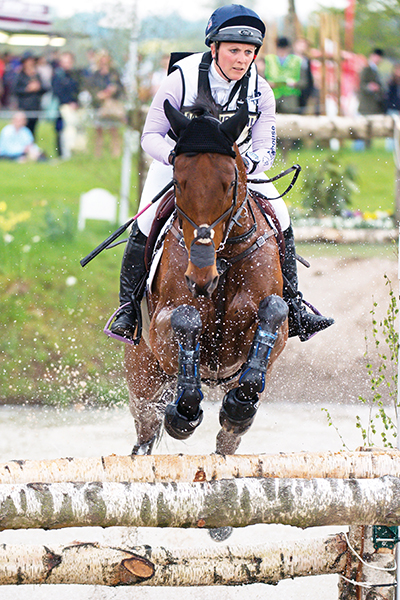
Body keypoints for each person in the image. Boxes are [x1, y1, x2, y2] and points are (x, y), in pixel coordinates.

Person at [110, 4, 333, 342]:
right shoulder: (180, 78)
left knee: (282, 218)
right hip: (178, 162)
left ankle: (295, 305)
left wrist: (244, 167)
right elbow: (149, 135)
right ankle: (128, 308)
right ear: (213, 48)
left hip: (233, 167)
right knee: (145, 220)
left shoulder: (261, 89)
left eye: (248, 52)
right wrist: (178, 160)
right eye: (233, 51)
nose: (242, 60)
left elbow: (265, 149)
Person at [86, 50, 125, 158]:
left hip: (112, 106)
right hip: (99, 106)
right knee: (98, 130)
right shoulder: (95, 74)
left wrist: (113, 90)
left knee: (114, 129)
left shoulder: (114, 73)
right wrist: (99, 95)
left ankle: (115, 153)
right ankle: (98, 153)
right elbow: (90, 88)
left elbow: (120, 88)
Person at [264, 37, 306, 114]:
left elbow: (304, 82)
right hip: (272, 100)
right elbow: (262, 79)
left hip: (290, 102)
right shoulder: (269, 59)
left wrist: (294, 84)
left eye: (284, 48)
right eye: (280, 48)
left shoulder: (297, 61)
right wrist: (268, 83)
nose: (282, 51)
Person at [52, 51, 80, 159]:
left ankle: (74, 153)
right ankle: (62, 154)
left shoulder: (76, 76)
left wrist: (76, 102)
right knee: (61, 131)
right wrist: (68, 102)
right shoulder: (58, 76)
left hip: (75, 108)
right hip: (61, 108)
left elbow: (79, 90)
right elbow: (57, 92)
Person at [14, 52, 46, 139]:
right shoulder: (20, 75)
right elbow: (15, 90)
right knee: (21, 131)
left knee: (32, 132)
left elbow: (45, 88)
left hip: (35, 107)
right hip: (24, 108)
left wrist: (38, 87)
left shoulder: (37, 75)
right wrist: (27, 89)